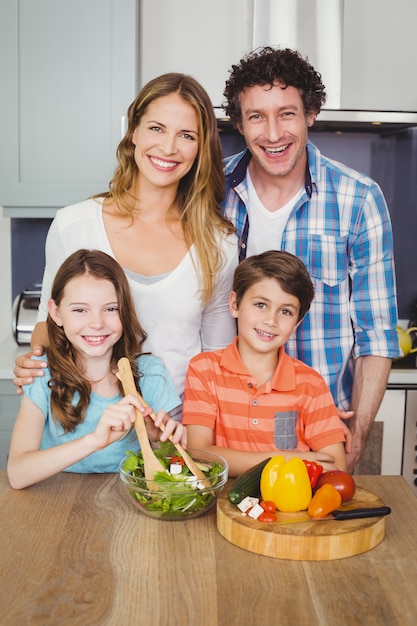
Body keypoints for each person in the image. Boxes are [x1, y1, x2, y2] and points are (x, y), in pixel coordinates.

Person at [12, 73, 238, 420]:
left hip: (171, 438)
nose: (168, 147)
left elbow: (218, 360)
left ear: (201, 147)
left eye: (187, 135)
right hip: (82, 431)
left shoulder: (217, 244)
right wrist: (35, 360)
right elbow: (48, 320)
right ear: (133, 131)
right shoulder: (74, 225)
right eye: (156, 128)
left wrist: (190, 441)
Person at [221, 46, 399, 472]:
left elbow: (376, 333)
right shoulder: (210, 192)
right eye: (256, 116)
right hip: (226, 428)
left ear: (310, 114)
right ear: (241, 125)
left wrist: (354, 440)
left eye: (286, 113)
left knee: (309, 534)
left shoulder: (359, 199)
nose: (273, 133)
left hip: (317, 429)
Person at [7, 249, 186, 490]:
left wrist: (160, 441)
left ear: (125, 310)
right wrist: (93, 441)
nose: (97, 323)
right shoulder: (42, 375)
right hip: (54, 500)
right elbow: (17, 474)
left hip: (129, 501)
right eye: (80, 310)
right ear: (56, 312)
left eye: (111, 309)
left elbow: (169, 470)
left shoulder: (151, 373)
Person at [182, 250, 346, 477]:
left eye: (285, 311)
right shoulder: (204, 370)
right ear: (235, 304)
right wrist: (287, 460)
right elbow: (199, 453)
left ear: (297, 323)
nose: (271, 320)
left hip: (292, 507)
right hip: (221, 505)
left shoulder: (311, 384)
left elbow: (336, 466)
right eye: (261, 305)